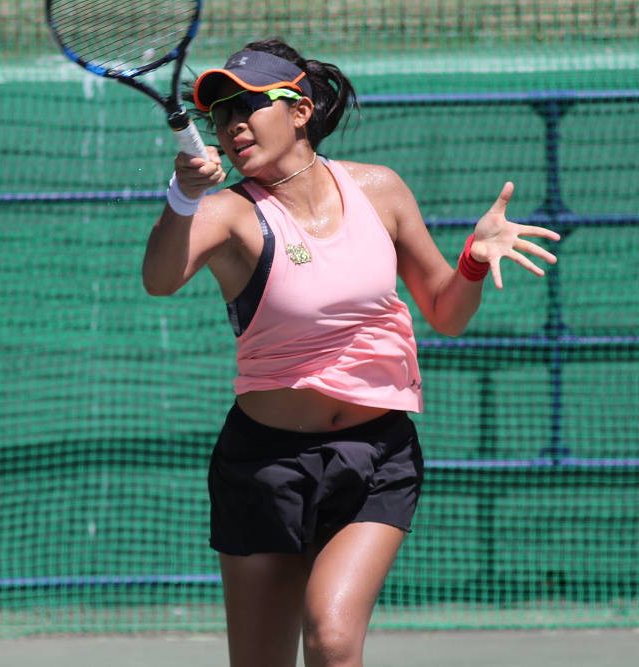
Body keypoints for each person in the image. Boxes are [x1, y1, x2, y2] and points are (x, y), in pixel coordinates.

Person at [141, 39, 560, 667]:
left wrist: (473, 260)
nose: (232, 124)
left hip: (377, 455)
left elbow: (445, 313)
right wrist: (182, 196)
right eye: (221, 113)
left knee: (333, 640)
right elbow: (159, 279)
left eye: (249, 105)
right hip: (264, 465)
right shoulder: (227, 213)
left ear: (300, 110)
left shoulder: (379, 190)